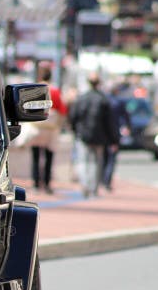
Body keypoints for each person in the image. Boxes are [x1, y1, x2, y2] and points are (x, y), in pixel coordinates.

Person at [68, 72, 115, 198]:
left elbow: (73, 116)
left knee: (83, 160)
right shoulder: (103, 99)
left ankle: (85, 185)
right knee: (96, 161)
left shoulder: (82, 98)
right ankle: (93, 187)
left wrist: (74, 130)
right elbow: (109, 121)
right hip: (99, 136)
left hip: (83, 135)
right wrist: (113, 138)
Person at [27, 65, 67, 194]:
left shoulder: (34, 89)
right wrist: (59, 125)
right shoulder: (54, 90)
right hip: (50, 128)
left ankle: (36, 183)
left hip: (36, 127)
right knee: (49, 156)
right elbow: (62, 110)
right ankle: (47, 183)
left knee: (35, 155)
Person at [102, 85, 127, 192]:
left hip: (103, 134)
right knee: (111, 159)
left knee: (104, 158)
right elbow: (125, 117)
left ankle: (102, 180)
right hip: (114, 133)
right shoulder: (118, 102)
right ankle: (106, 181)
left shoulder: (103, 101)